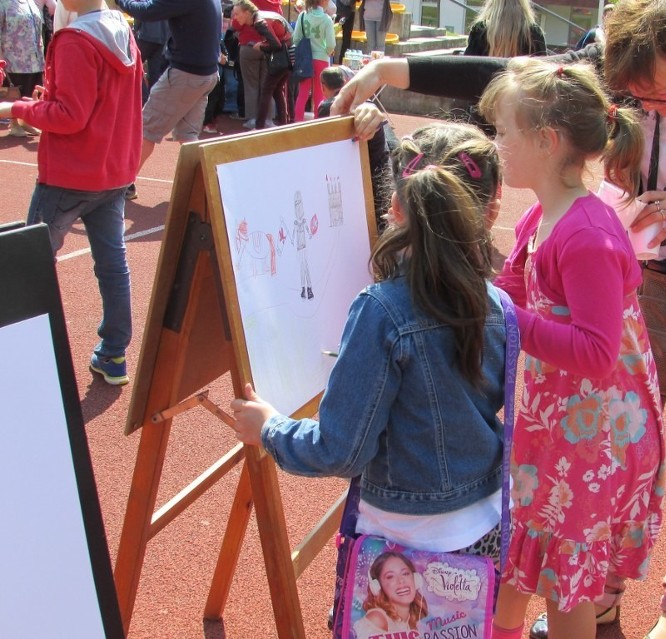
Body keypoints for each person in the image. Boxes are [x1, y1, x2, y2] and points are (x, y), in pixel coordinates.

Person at [333, 1, 666, 637]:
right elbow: (518, 81)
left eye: (656, 90)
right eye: (633, 89)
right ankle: (591, 608)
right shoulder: (550, 212)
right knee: (534, 552)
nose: (643, 100)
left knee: (664, 491)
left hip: (646, 368)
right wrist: (391, 71)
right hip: (565, 411)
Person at [229, 122, 508, 566]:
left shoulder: (381, 311)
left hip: (402, 539)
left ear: (396, 207)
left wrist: (269, 429)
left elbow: (338, 450)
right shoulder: (501, 305)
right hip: (487, 524)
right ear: (492, 210)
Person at [474, 57, 665, 639]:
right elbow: (510, 285)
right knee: (522, 548)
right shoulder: (542, 213)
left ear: (546, 139)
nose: (497, 142)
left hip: (593, 437)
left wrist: (503, 317)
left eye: (504, 129)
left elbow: (595, 350)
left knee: (566, 581)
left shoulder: (586, 234)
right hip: (558, 426)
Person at [0, 0, 142, 385]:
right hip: (112, 170)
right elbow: (99, 102)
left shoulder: (74, 39)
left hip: (71, 173)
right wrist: (48, 100)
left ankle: (20, 355)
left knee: (27, 265)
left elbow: (70, 117)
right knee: (113, 266)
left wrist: (17, 108)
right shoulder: (120, 29)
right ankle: (114, 354)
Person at [115, 0, 221, 200]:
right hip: (206, 73)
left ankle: (123, 184)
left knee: (146, 129)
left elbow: (147, 12)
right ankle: (210, 184)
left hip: (186, 74)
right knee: (187, 135)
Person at [316, 66, 393, 228]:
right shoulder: (366, 107)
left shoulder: (329, 108)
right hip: (380, 179)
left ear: (323, 87)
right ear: (345, 82)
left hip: (365, 188)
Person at [231, 0, 292, 129]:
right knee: (269, 88)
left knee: (252, 86)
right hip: (274, 50)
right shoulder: (275, 3)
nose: (236, 15)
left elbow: (236, 25)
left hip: (253, 46)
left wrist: (263, 45)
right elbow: (280, 22)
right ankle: (269, 120)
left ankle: (255, 120)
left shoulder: (251, 11)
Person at [353, 552, 428, 639]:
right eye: (390, 576)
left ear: (416, 579)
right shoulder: (378, 619)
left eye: (405, 573)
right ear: (377, 586)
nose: (401, 581)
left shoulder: (412, 621)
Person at [0, 0, 45, 137]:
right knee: (15, 92)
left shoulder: (30, 2)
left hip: (34, 58)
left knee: (31, 90)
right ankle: (14, 124)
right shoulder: (4, 4)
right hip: (13, 58)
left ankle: (26, 121)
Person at [292, 0, 335, 121]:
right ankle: (317, 122)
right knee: (319, 94)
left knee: (303, 93)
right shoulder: (327, 19)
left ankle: (297, 121)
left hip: (305, 58)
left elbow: (296, 39)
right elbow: (331, 44)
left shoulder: (303, 15)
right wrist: (326, 51)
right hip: (321, 59)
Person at [463, 0, 546, 58]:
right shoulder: (534, 33)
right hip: (522, 82)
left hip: (486, 82)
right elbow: (542, 72)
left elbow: (467, 68)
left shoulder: (480, 30)